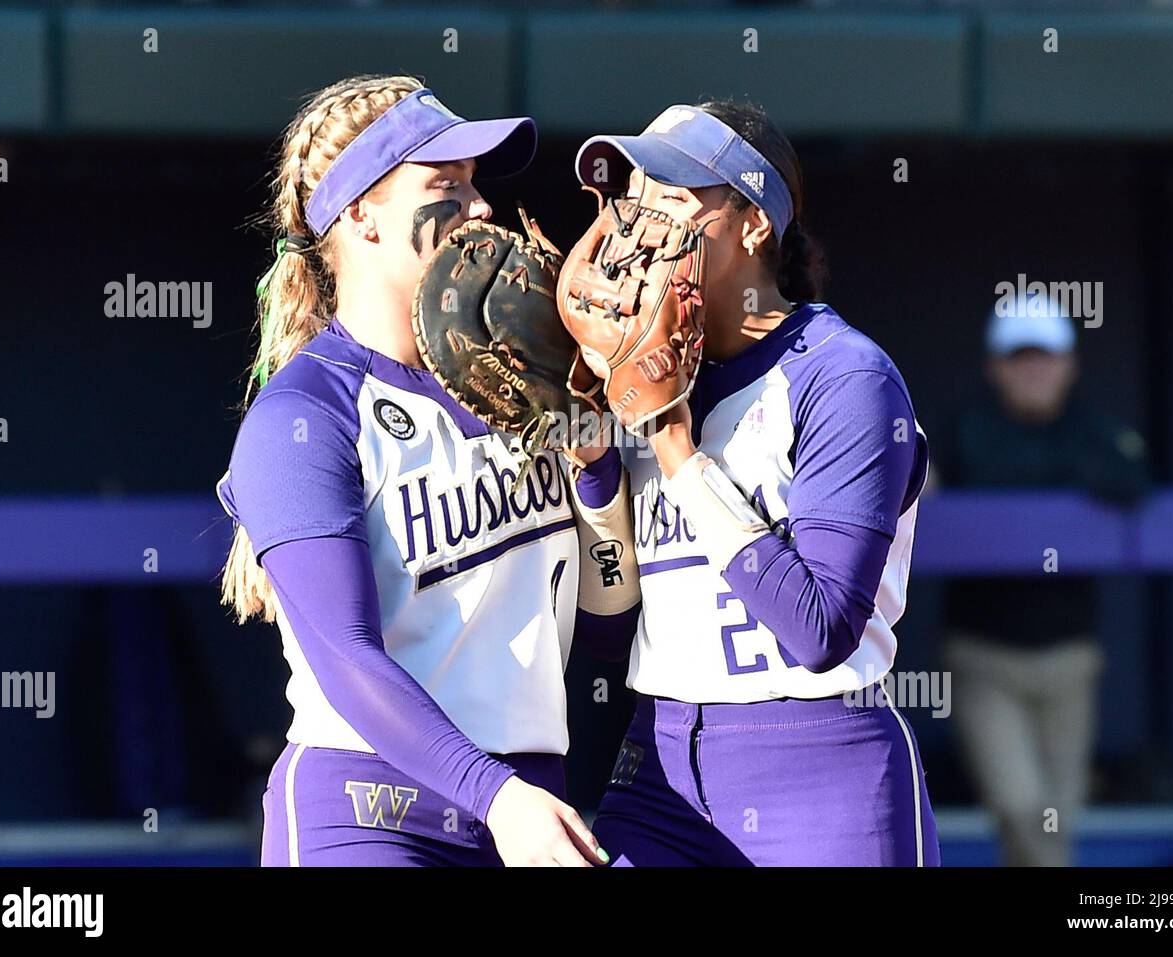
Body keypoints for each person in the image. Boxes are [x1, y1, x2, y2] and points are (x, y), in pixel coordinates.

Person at [216, 74, 615, 867]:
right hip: (372, 814)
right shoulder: (304, 414)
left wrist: (601, 465)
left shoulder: (524, 379)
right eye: (445, 184)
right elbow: (346, 655)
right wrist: (497, 794)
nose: (479, 207)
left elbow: (606, 622)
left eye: (474, 183)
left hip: (531, 803)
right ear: (357, 212)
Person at [568, 100, 940, 865]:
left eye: (673, 199)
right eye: (636, 199)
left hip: (821, 765)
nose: (641, 226)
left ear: (754, 223)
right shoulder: (640, 368)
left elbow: (820, 629)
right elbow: (608, 632)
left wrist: (676, 452)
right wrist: (597, 472)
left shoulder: (843, 374)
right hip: (660, 765)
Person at [937, 299, 1149, 867]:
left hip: (1070, 659)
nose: (1033, 371)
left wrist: (1066, 470)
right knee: (1018, 804)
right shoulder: (966, 428)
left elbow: (1132, 481)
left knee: (1060, 812)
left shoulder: (1094, 428)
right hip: (985, 655)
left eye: (1045, 357)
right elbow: (939, 484)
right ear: (995, 366)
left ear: (1069, 364)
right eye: (1019, 358)